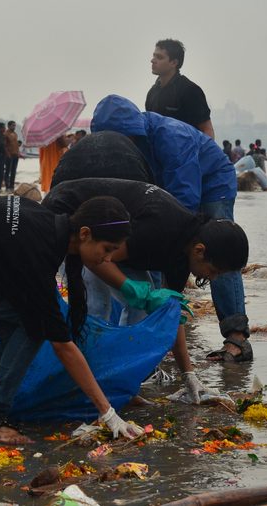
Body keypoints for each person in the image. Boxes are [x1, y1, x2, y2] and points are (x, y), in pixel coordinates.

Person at [0, 195, 144, 444]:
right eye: (107, 249)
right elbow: (62, 345)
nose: (108, 260)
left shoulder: (48, 229)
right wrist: (107, 412)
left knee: (20, 335)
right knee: (32, 329)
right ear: (84, 233)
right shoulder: (38, 248)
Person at [43, 178, 249, 402]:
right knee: (97, 306)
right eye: (214, 271)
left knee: (141, 307)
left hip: (114, 241)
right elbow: (98, 260)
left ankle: (116, 380)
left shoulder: (185, 252)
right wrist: (129, 287)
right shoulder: (158, 230)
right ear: (200, 250)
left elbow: (171, 314)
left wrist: (188, 375)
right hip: (67, 214)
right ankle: (84, 387)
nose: (212, 278)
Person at [91, 94, 252, 362]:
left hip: (213, 184)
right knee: (158, 255)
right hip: (170, 196)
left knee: (221, 254)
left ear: (131, 130)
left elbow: (183, 203)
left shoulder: (172, 137)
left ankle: (236, 337)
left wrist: (170, 248)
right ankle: (154, 326)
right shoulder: (128, 145)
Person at [145, 39, 215, 139]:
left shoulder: (190, 90)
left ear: (174, 62)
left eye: (159, 57)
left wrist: (205, 154)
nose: (152, 60)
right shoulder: (152, 93)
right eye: (154, 56)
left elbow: (207, 129)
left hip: (187, 152)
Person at [4, 120, 20, 191]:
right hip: (9, 155)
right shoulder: (5, 134)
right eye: (13, 125)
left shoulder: (15, 134)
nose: (14, 127)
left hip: (16, 155)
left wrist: (18, 153)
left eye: (15, 125)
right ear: (8, 126)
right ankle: (7, 186)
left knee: (13, 171)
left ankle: (12, 186)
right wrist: (7, 154)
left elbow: (16, 145)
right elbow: (4, 146)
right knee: (8, 171)